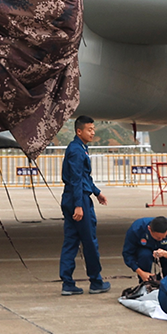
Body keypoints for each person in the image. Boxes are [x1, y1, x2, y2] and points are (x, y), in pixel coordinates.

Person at [60, 115, 110, 295]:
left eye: (93, 129)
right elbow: (75, 179)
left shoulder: (80, 148)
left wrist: (96, 192)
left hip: (74, 196)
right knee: (89, 241)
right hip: (77, 197)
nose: (93, 132)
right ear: (78, 131)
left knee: (71, 241)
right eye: (89, 130)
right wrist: (79, 205)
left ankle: (67, 283)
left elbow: (84, 177)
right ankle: (96, 281)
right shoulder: (76, 150)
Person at [122, 215, 167, 292]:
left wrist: (166, 254)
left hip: (163, 251)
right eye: (158, 238)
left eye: (163, 237)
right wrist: (140, 272)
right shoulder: (136, 229)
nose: (161, 239)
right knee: (144, 254)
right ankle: (145, 283)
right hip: (144, 251)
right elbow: (127, 254)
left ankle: (162, 283)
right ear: (149, 229)